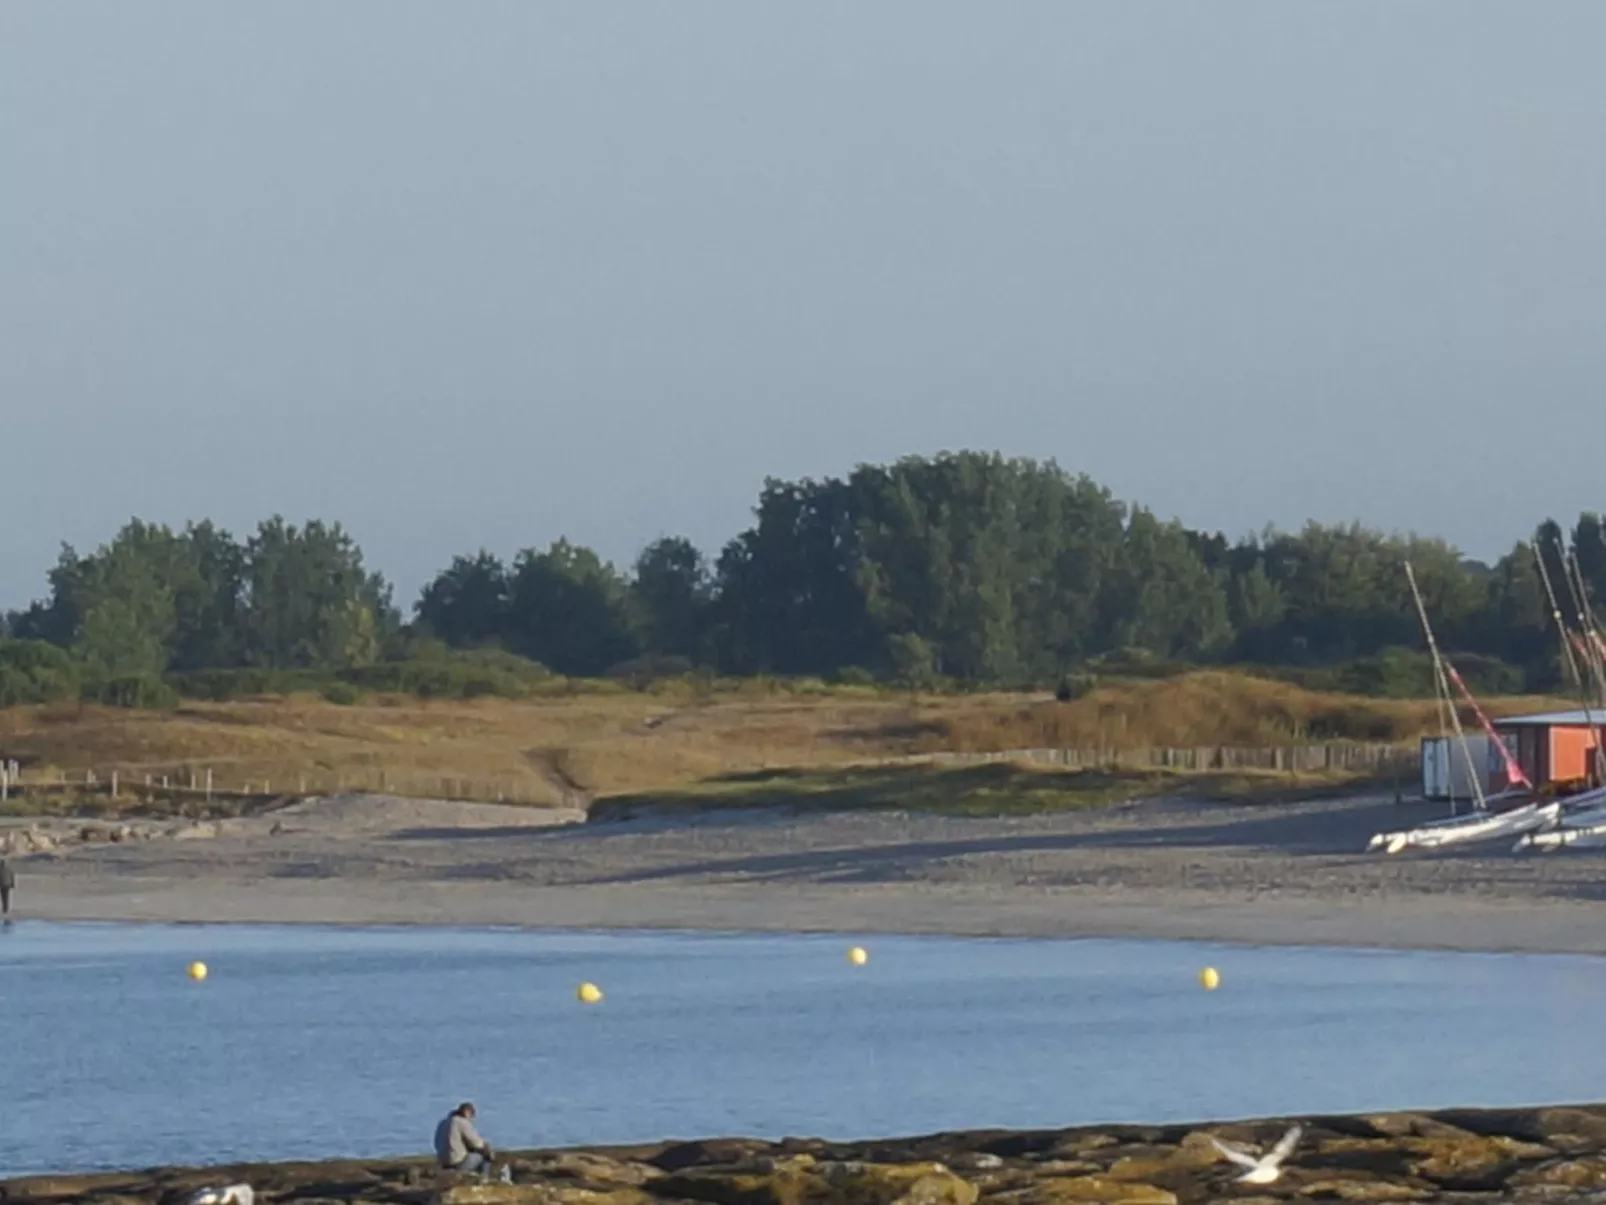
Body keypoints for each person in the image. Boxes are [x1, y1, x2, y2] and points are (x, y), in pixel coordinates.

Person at [434, 1102, 493, 1176]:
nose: (471, 1120)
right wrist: (486, 1147)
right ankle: (483, 1181)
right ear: (467, 1113)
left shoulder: (443, 1123)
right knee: (484, 1156)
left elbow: (436, 1144)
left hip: (443, 1163)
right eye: (471, 1117)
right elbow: (477, 1143)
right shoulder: (461, 1121)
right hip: (457, 1163)